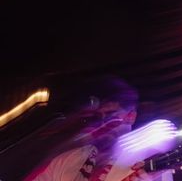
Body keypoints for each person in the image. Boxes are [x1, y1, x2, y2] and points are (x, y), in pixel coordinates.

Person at [25, 76, 171, 181]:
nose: (102, 123)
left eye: (110, 114)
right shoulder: (68, 160)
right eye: (96, 117)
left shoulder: (147, 163)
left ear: (131, 116)